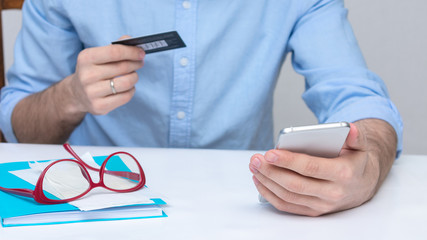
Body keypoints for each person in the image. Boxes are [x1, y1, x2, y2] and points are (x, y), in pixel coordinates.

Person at [0, 0, 402, 216]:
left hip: (244, 210)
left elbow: (355, 94)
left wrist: (369, 165)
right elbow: (21, 129)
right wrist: (70, 94)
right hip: (97, 208)